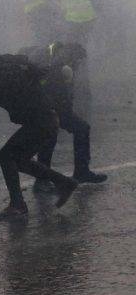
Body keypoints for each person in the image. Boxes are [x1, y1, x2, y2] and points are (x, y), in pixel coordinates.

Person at [0, 53, 78, 220]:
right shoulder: (3, 68)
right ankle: (64, 183)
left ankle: (18, 205)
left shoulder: (5, 74)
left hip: (42, 122)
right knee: (19, 160)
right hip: (41, 121)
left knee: (6, 156)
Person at [19, 43, 107, 187]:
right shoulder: (58, 65)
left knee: (77, 129)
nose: (78, 64)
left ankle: (78, 173)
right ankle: (44, 179)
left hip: (47, 106)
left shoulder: (55, 58)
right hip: (44, 108)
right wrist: (63, 113)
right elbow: (57, 93)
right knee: (53, 135)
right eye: (78, 60)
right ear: (72, 55)